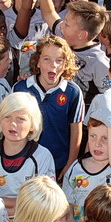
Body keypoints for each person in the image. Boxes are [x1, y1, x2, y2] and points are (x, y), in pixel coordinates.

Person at [12, 35, 84, 177]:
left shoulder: (73, 92)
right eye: (47, 59)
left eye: (59, 60)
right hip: (25, 163)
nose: (53, 65)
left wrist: (70, 164)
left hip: (58, 164)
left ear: (66, 64)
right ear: (37, 62)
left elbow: (76, 130)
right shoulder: (20, 88)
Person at [0, 93, 55, 218]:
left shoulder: (42, 156)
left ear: (32, 124)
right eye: (7, 117)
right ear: (0, 120)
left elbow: (42, 201)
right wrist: (17, 203)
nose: (13, 123)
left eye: (20, 119)